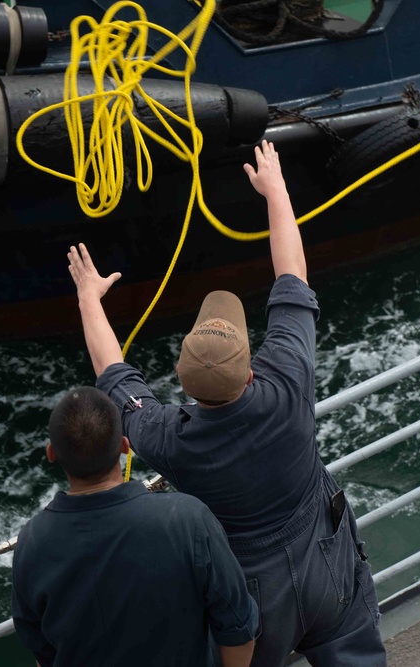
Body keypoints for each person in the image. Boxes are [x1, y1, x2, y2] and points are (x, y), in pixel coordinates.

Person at [67, 139, 386, 666]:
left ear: (184, 382)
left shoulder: (171, 438)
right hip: (325, 556)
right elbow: (292, 278)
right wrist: (275, 191)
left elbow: (114, 377)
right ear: (250, 363)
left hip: (255, 596)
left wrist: (88, 297)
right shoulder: (288, 381)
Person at [10, 386, 258, 667]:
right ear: (124, 447)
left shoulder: (31, 542)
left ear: (51, 453)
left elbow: (41, 650)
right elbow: (238, 628)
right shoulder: (187, 519)